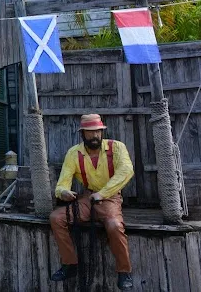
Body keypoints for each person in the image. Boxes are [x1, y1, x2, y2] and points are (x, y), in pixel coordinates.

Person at [49, 114, 134, 289]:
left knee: (114, 225)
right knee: (56, 218)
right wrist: (64, 192)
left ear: (102, 132)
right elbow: (62, 183)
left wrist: (102, 194)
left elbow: (126, 171)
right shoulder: (74, 153)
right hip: (88, 197)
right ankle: (70, 264)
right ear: (83, 134)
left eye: (97, 131)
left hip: (110, 197)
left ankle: (124, 272)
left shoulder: (116, 147)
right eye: (90, 132)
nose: (94, 135)